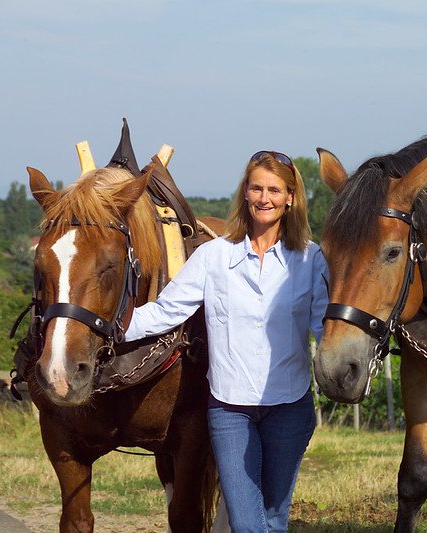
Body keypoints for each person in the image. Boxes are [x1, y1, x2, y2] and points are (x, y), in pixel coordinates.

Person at [124, 150, 328, 532]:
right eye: (256, 188)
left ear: (290, 198)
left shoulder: (310, 260)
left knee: (273, 520)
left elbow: (323, 327)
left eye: (274, 190)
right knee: (248, 524)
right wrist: (111, 326)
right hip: (231, 412)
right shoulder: (213, 256)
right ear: (244, 193)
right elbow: (167, 311)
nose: (263, 198)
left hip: (289, 408)